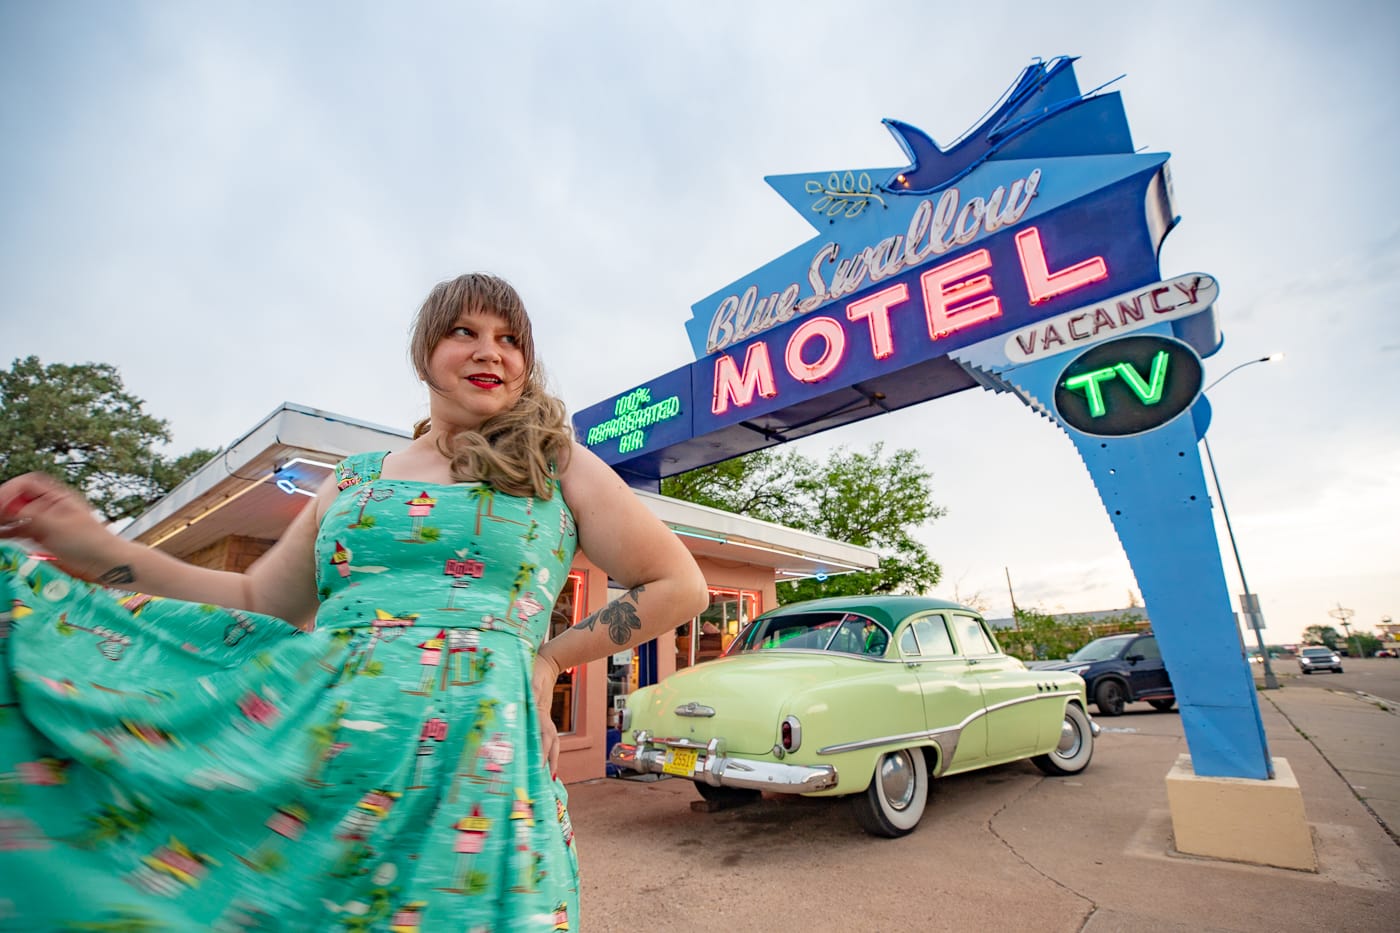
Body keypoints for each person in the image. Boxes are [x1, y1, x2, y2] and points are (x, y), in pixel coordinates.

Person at [0, 273, 709, 931]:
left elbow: (679, 584)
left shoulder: (554, 464)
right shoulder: (356, 479)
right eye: (463, 331)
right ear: (423, 353)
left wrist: (552, 657)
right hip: (321, 766)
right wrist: (97, 551)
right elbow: (255, 597)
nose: (489, 351)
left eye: (510, 338)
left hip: (478, 773)